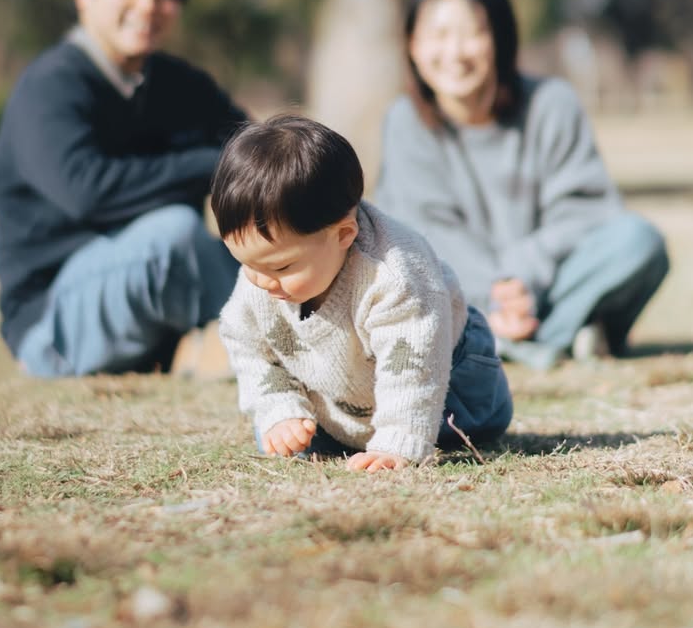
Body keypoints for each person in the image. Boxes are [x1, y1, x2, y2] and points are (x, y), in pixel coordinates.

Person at [374, 0, 669, 371]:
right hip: (459, 294)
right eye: (437, 36)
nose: (454, 53)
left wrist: (520, 277)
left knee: (638, 241)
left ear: (500, 39)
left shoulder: (552, 104)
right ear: (412, 46)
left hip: (550, 284)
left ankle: (512, 341)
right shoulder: (405, 121)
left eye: (472, 34)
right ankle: (556, 334)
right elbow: (425, 229)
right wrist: (492, 292)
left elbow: (586, 211)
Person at [0, 0, 245, 377]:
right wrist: (211, 167)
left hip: (147, 319)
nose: (149, 4)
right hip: (53, 321)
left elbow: (258, 155)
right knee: (172, 237)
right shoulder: (49, 87)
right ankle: (280, 338)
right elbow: (88, 190)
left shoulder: (182, 86)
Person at [210, 114, 513, 469]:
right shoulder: (263, 271)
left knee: (468, 430)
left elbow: (411, 364)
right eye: (246, 264)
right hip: (337, 394)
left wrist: (398, 443)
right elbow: (248, 345)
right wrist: (280, 410)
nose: (261, 282)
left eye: (280, 268)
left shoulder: (395, 276)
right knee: (281, 436)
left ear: (344, 234)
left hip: (447, 381)